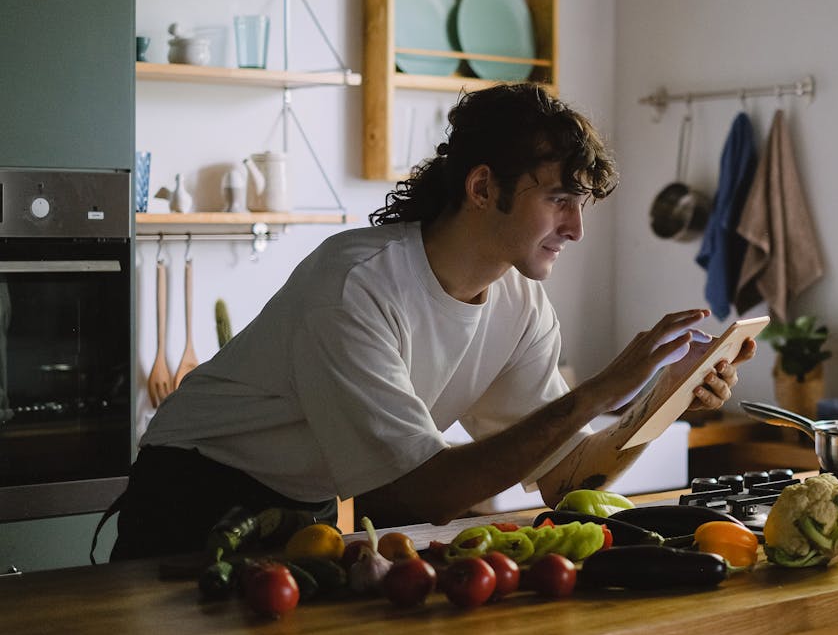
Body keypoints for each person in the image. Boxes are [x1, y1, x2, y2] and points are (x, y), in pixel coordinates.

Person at [106, 83, 752, 560]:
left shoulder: (520, 305)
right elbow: (417, 493)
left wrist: (665, 398)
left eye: (579, 205)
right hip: (192, 492)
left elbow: (564, 478)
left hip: (307, 505)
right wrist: (601, 390)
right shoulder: (356, 285)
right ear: (480, 188)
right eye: (559, 200)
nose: (576, 228)